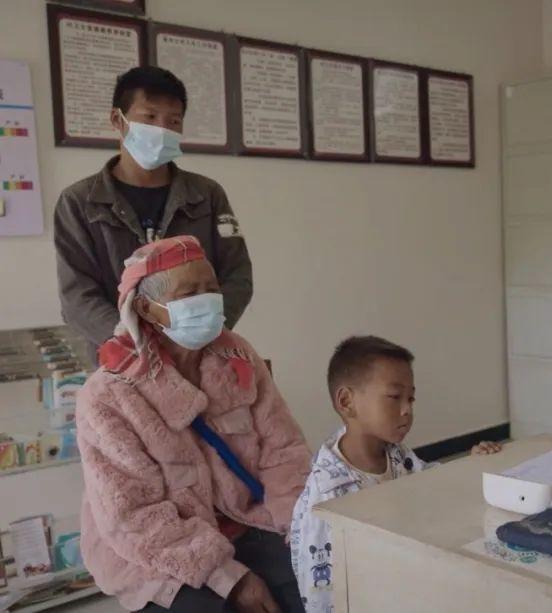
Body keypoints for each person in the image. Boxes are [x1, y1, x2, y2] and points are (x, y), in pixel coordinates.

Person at [76, 236, 309, 612]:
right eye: (189, 293)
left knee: (319, 584)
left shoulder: (237, 355)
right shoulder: (106, 395)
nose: (206, 300)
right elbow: (134, 517)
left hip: (246, 521)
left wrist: (299, 528)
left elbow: (283, 451)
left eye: (211, 288)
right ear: (145, 308)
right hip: (155, 554)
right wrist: (230, 580)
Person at [290, 335, 502, 612]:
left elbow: (429, 481)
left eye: (411, 398)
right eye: (394, 397)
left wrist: (470, 464)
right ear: (346, 402)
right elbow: (320, 592)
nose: (407, 410)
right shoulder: (327, 495)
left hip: (404, 579)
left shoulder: (395, 453)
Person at [54, 66, 252, 350]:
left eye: (173, 121)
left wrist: (205, 331)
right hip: (122, 363)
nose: (162, 129)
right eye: (149, 117)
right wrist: (130, 338)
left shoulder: (206, 195)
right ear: (117, 120)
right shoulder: (79, 203)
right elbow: (77, 296)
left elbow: (238, 275)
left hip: (200, 356)